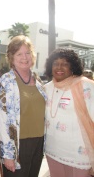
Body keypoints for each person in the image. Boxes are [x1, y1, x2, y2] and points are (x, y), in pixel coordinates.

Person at [0, 35, 47, 177]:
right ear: (12, 58)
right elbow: (2, 120)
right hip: (18, 145)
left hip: (38, 143)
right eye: (19, 54)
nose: (24, 57)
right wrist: (7, 154)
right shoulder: (6, 81)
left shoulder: (38, 80)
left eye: (27, 53)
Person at [44, 48, 94, 177]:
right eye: (55, 63)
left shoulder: (86, 86)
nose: (59, 67)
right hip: (52, 150)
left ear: (72, 67)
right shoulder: (45, 88)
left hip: (79, 154)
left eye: (65, 63)